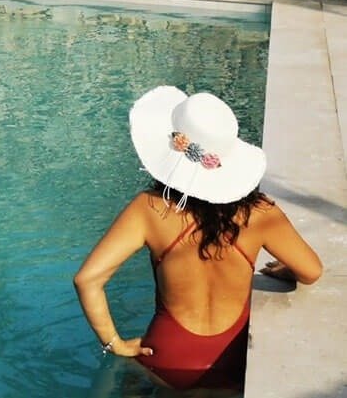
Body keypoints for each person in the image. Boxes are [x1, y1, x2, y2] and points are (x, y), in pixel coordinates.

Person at [74, 86, 322, 392]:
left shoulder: (150, 209)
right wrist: (285, 269)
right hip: (231, 359)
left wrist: (114, 342)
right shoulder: (260, 213)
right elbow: (312, 272)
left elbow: (87, 280)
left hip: (165, 359)